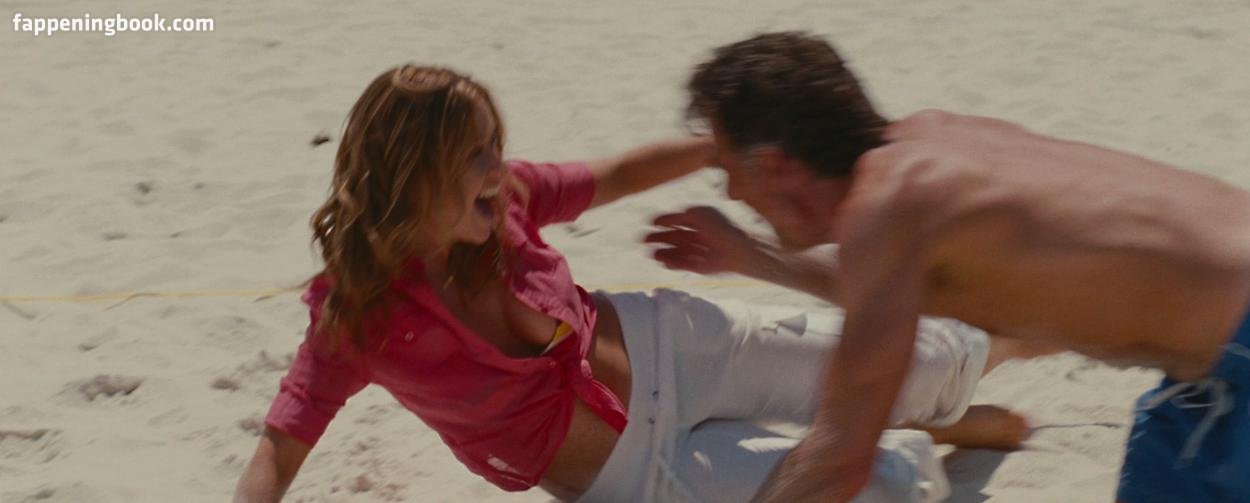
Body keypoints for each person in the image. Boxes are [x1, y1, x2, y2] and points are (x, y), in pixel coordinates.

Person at [233, 64, 1033, 503]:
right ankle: (928, 426)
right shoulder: (357, 314)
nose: (497, 168)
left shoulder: (507, 199)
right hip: (640, 473)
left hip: (681, 348)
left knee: (925, 361)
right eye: (475, 155)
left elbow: (613, 175)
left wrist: (714, 148)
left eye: (494, 147)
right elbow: (281, 442)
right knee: (883, 488)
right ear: (412, 174)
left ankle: (1012, 346)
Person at [652, 31, 1250, 502]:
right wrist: (754, 257)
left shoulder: (888, 210)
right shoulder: (927, 151)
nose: (731, 192)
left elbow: (839, 459)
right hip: (1210, 373)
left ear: (777, 166)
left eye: (727, 168)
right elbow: (898, 291)